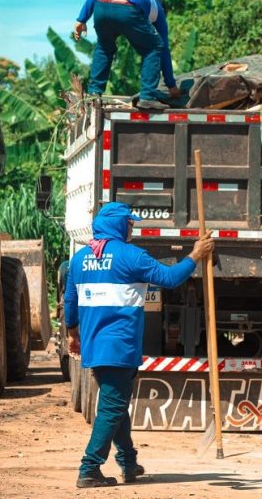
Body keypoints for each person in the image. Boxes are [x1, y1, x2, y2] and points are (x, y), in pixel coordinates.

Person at [64, 202, 214, 488]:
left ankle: (129, 462)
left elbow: (70, 301)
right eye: (130, 223)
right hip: (120, 347)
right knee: (112, 408)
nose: (133, 227)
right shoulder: (131, 257)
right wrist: (195, 254)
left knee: (116, 405)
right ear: (119, 225)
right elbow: (170, 279)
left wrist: (73, 334)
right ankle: (89, 468)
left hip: (95, 347)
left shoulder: (80, 259)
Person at [72, 0, 179, 110]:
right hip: (128, 9)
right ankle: (148, 98)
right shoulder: (158, 10)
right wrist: (171, 85)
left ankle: (94, 94)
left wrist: (82, 19)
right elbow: (164, 51)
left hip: (102, 7)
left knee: (104, 48)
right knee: (155, 47)